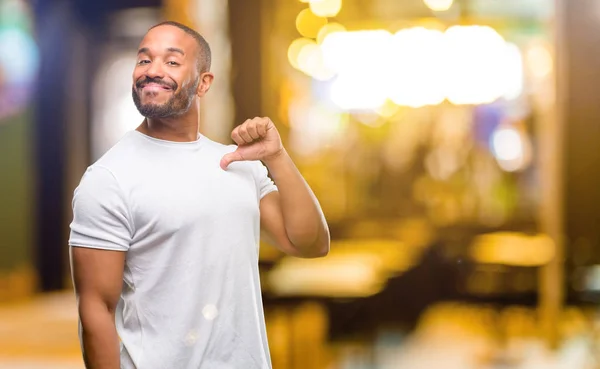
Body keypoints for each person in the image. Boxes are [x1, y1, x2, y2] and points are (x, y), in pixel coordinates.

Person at [69, 21, 330, 369]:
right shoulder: (108, 178)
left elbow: (311, 243)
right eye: (144, 60)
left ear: (204, 82)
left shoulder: (236, 163)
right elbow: (96, 310)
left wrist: (277, 157)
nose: (152, 71)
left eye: (172, 61)